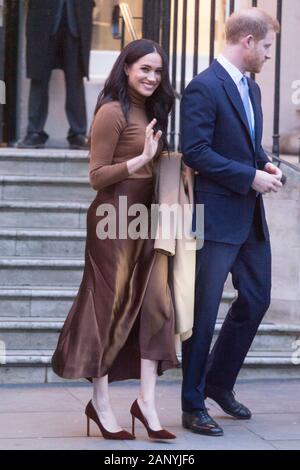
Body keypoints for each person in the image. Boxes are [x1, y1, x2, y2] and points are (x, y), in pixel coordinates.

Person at [52, 38, 177, 440]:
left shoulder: (153, 109)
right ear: (126, 67)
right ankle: (101, 404)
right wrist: (139, 160)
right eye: (145, 69)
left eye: (158, 71)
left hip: (148, 217)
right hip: (113, 219)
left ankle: (147, 403)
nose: (152, 78)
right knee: (107, 307)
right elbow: (95, 176)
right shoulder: (111, 111)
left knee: (155, 306)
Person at [180, 8, 283, 436]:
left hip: (249, 216)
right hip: (216, 215)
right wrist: (249, 176)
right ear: (247, 41)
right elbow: (195, 151)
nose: (267, 55)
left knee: (256, 299)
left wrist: (266, 163)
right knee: (202, 313)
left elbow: (248, 144)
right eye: (266, 47)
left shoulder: (251, 89)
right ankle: (191, 404)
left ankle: (220, 383)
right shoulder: (203, 87)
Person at [19, 0, 94, 149]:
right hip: (42, 19)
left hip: (76, 19)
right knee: (38, 77)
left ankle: (78, 133)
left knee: (75, 81)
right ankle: (35, 132)